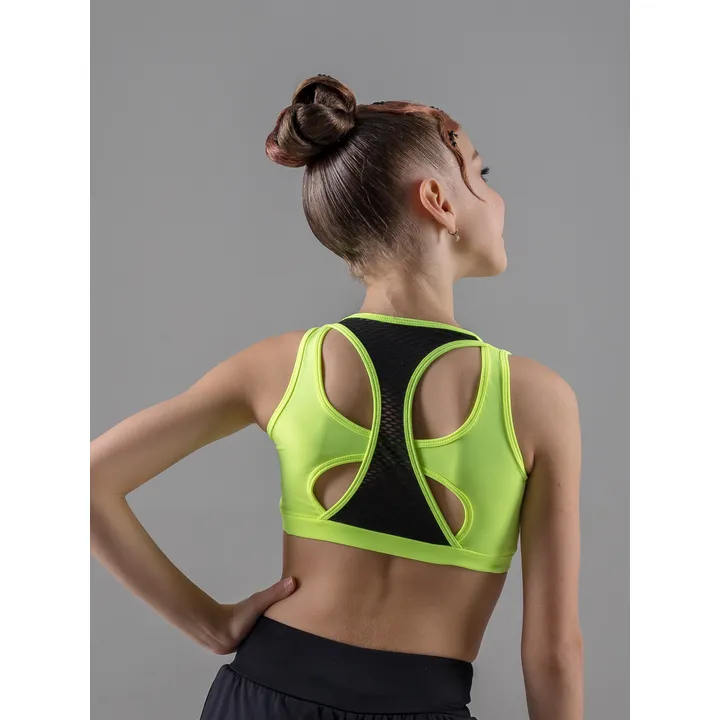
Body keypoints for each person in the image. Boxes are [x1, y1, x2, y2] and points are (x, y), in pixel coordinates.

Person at [90, 74, 583, 720]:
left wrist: (208, 624)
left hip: (260, 699)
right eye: (481, 174)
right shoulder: (536, 399)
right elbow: (553, 652)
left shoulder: (279, 367)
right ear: (437, 200)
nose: (498, 198)